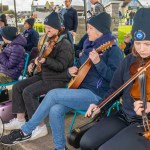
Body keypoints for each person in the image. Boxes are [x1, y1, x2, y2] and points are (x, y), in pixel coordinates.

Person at [1, 12, 124, 149]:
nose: (87, 31)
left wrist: (99, 62)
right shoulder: (90, 46)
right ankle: (60, 148)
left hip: (98, 96)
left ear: (100, 31)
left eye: (90, 28)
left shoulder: (114, 51)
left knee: (53, 94)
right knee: (55, 110)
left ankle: (25, 130)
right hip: (80, 91)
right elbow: (79, 67)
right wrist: (71, 70)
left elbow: (115, 79)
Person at [80, 8, 150, 150]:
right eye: (137, 43)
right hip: (124, 116)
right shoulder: (130, 60)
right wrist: (100, 106)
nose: (141, 49)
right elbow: (114, 89)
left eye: (148, 44)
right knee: (86, 142)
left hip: (146, 123)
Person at [3, 12, 74, 140]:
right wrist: (32, 64)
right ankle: (20, 120)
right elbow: (39, 58)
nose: (47, 31)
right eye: (46, 27)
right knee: (18, 87)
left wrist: (45, 61)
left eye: (49, 28)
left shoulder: (65, 44)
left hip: (58, 78)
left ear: (58, 28)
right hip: (45, 75)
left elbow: (61, 66)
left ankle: (40, 127)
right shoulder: (48, 40)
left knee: (29, 92)